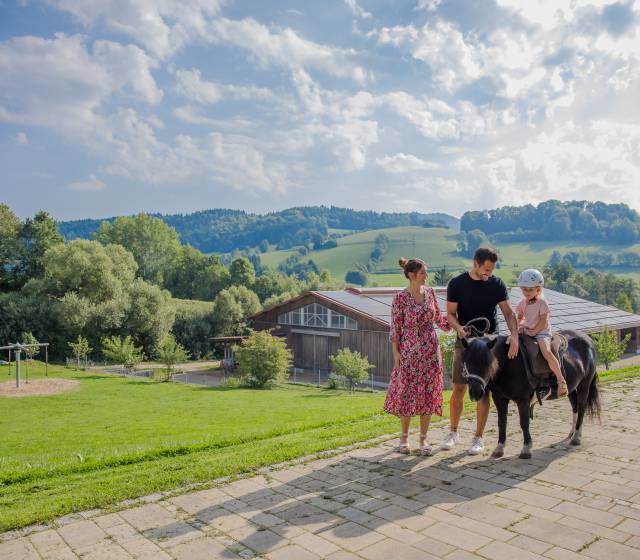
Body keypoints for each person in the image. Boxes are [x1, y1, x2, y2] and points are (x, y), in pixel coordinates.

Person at [441, 247, 520, 455]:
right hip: (465, 342)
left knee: (483, 391)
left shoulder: (496, 284)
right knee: (459, 387)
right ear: (475, 264)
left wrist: (514, 335)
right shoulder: (457, 283)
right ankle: (453, 432)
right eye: (486, 269)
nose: (489, 274)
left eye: (492, 270)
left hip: (488, 343)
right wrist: (458, 329)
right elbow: (450, 314)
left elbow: (509, 312)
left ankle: (478, 438)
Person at [384, 258, 451, 456]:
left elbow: (438, 317)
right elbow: (396, 327)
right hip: (409, 351)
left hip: (431, 350)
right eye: (423, 272)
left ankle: (424, 439)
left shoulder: (430, 293)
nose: (426, 276)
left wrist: (454, 325)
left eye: (426, 272)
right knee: (407, 393)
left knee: (428, 393)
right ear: (411, 275)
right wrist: (396, 352)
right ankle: (404, 439)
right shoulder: (400, 298)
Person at [515, 269, 568, 397]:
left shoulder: (542, 303)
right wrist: (518, 327)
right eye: (524, 289)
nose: (527, 292)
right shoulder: (522, 303)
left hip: (542, 332)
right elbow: (520, 317)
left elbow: (544, 321)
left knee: (547, 352)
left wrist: (534, 332)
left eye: (530, 289)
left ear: (538, 289)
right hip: (528, 330)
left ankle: (561, 380)